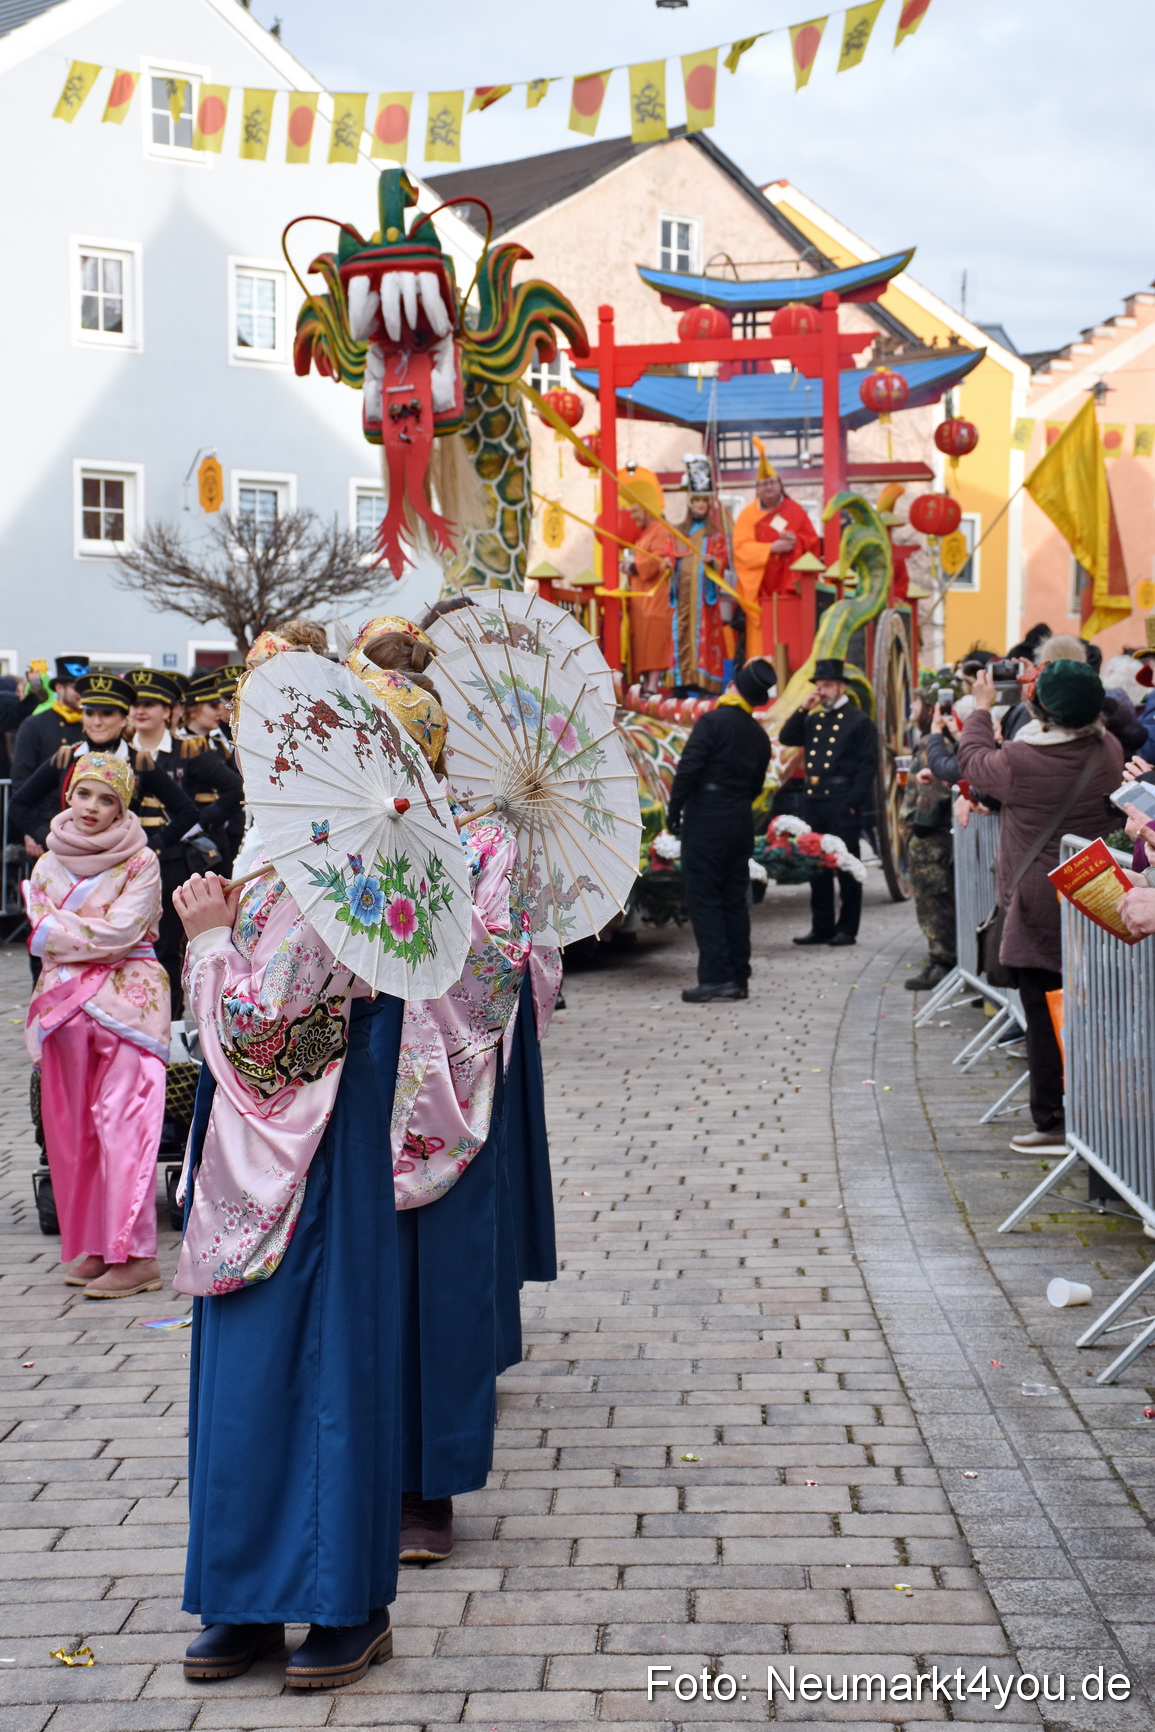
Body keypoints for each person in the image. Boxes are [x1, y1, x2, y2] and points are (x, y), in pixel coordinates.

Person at [175, 657, 405, 1691]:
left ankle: (342, 1596)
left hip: (307, 1135)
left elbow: (262, 1037)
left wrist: (210, 940)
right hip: (255, 1140)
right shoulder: (274, 841)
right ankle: (244, 1594)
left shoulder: (341, 857)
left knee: (316, 1361)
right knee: (247, 1372)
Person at [956, 660, 1122, 1155]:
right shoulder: (1107, 749)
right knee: (1093, 1011)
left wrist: (982, 709)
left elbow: (974, 760)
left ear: (1037, 707)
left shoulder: (1023, 760)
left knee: (1045, 1014)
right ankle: (1099, 1115)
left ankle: (1051, 1121)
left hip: (1037, 904)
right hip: (1092, 894)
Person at [23, 754, 168, 1297]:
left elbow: (125, 932)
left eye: (108, 799)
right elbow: (41, 927)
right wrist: (91, 933)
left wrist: (70, 934)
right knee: (72, 1133)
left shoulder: (143, 861)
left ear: (123, 806)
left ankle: (136, 1255)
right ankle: (93, 1244)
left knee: (124, 1127)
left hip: (130, 1009)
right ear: (68, 795)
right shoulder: (45, 863)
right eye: (85, 794)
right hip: (64, 1009)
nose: (93, 807)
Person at [127, 668, 240, 1010]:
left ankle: (170, 1021)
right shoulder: (120, 751)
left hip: (175, 858)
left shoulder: (187, 750)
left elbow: (234, 788)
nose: (140, 710)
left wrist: (198, 824)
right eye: (134, 703)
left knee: (169, 945)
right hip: (127, 859)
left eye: (151, 703)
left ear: (168, 710)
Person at [10, 672, 202, 868]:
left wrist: (151, 846)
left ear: (123, 718)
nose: (96, 722)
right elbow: (18, 804)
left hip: (120, 868)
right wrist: (49, 837)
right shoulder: (67, 757)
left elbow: (187, 811)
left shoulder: (138, 761)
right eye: (90, 713)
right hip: (69, 866)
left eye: (107, 713)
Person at [666, 658, 774, 1003]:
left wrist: (675, 810)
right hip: (739, 819)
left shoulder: (711, 722)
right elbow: (757, 784)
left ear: (732, 687)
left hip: (707, 819)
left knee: (705, 898)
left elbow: (688, 769)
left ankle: (714, 977)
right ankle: (739, 977)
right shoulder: (758, 735)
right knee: (733, 898)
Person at [780, 658, 878, 948]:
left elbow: (867, 766)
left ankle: (847, 929)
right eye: (819, 685)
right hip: (814, 800)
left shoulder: (858, 721)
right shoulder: (813, 718)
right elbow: (787, 737)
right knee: (816, 866)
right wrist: (803, 708)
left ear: (840, 687)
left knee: (846, 866)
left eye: (826, 686)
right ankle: (821, 927)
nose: (821, 691)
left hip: (841, 800)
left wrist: (853, 802)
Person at [732, 443, 820, 660]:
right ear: (757, 488)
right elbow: (740, 550)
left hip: (790, 589)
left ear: (780, 484)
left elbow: (812, 542)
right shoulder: (747, 515)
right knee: (762, 645)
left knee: (790, 639)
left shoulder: (795, 510)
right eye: (763, 484)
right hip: (760, 590)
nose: (768, 487)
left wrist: (796, 541)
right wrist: (772, 548)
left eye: (772, 482)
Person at [900, 690, 956, 990]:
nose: (912, 706)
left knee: (934, 903)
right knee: (936, 900)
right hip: (932, 837)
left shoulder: (931, 743)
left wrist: (920, 826)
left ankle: (941, 961)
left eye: (917, 702)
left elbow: (933, 789)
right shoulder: (935, 740)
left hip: (930, 838)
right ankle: (940, 959)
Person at [672, 459, 729, 697]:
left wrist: (713, 563)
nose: (700, 505)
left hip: (704, 601)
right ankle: (682, 682)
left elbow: (723, 558)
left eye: (704, 500)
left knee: (705, 639)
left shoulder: (715, 534)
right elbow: (671, 555)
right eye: (696, 500)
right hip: (683, 600)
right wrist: (669, 564)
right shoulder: (679, 533)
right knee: (680, 634)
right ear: (690, 503)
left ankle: (705, 684)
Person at [622, 468, 677, 693]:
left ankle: (653, 684)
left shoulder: (661, 529)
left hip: (656, 595)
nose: (633, 517)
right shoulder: (646, 532)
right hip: (642, 597)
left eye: (636, 512)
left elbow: (659, 559)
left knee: (654, 639)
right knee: (643, 640)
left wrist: (633, 567)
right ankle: (646, 683)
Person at [9, 655, 88, 793]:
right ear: (59, 688)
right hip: (46, 811)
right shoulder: (34, 725)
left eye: (85, 688)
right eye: (76, 688)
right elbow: (21, 779)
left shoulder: (93, 726)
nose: (81, 694)